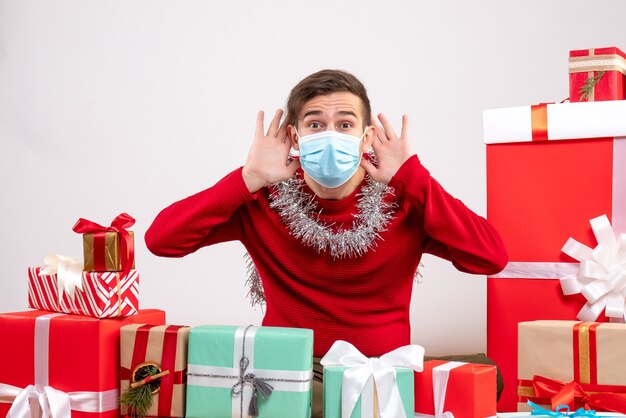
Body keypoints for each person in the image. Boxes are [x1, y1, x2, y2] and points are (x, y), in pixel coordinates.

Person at [145, 69, 508, 417]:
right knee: (309, 399)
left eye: (345, 124)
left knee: (486, 378)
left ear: (366, 138)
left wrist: (414, 177)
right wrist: (247, 177)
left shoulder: (404, 198)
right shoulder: (263, 199)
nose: (330, 133)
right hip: (291, 374)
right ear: (295, 137)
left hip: (382, 371)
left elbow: (491, 257)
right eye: (315, 124)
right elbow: (162, 239)